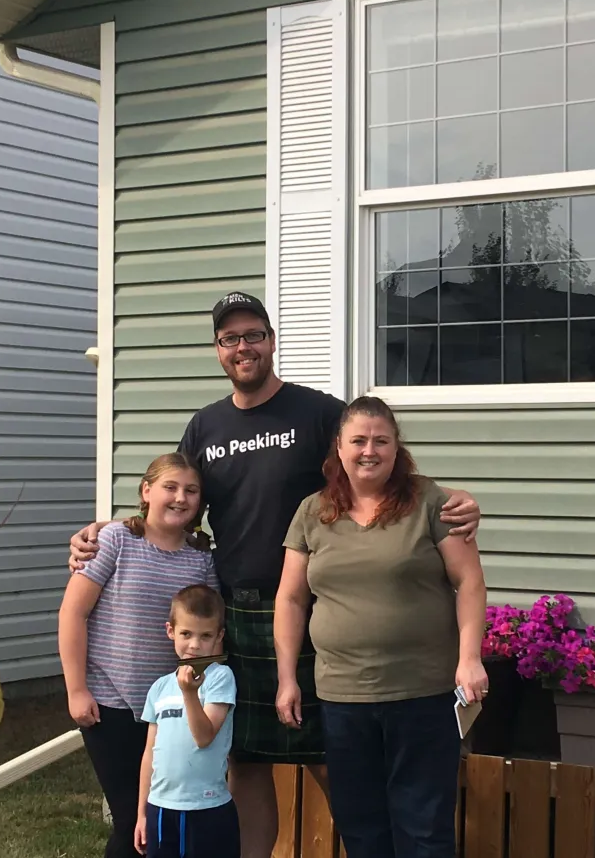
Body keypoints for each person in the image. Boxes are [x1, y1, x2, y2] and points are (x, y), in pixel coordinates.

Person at [68, 292, 482, 858]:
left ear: (270, 340)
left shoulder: (317, 413)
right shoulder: (205, 426)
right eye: (230, 339)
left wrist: (454, 501)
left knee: (330, 756)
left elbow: (375, 459)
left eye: (253, 335)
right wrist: (108, 529)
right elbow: (175, 497)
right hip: (235, 613)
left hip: (312, 612)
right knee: (243, 758)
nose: (243, 347)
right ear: (218, 351)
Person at [274, 396, 488, 858]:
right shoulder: (313, 512)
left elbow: (469, 582)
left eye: (380, 441)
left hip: (422, 693)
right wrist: (287, 678)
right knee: (361, 825)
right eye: (358, 440)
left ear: (396, 448)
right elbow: (291, 598)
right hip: (343, 698)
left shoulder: (431, 501)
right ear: (339, 447)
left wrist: (469, 658)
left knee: (424, 828)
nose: (369, 450)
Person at [58, 453, 217, 858]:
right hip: (111, 706)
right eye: (170, 487)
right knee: (133, 821)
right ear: (146, 491)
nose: (180, 498)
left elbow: (210, 634)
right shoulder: (114, 541)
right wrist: (76, 689)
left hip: (171, 710)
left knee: (161, 820)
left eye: (191, 491)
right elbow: (73, 613)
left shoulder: (202, 559)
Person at [135, 585, 239, 858]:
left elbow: (204, 736)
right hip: (160, 807)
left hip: (207, 808)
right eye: (186, 634)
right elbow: (150, 754)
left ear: (219, 636)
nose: (194, 644)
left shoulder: (220, 678)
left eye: (205, 636)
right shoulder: (159, 687)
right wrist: (142, 813)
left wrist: (190, 693)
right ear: (170, 631)